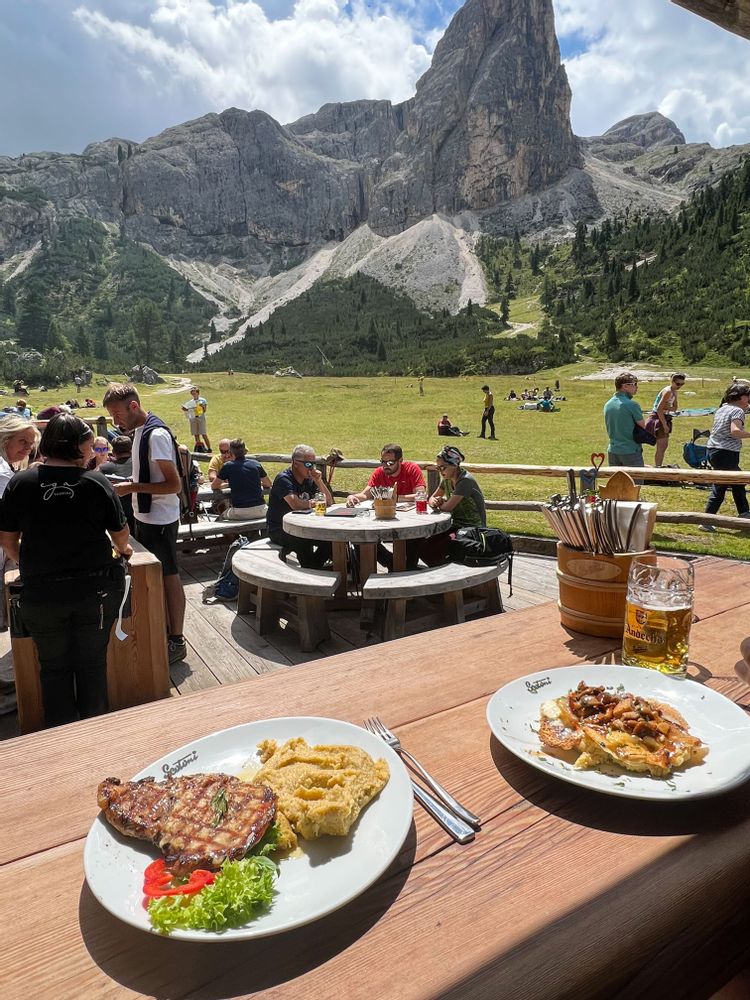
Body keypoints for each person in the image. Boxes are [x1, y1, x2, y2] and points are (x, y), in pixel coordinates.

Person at [0, 413, 131, 727]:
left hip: (42, 593)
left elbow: (7, 539)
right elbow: (121, 534)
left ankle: (62, 736)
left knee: (53, 667)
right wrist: (121, 550)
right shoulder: (95, 481)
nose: (90, 451)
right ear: (75, 446)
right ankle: (94, 730)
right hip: (94, 591)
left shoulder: (21, 482)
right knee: (92, 664)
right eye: (88, 445)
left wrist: (26, 563)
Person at [103, 382, 187, 665]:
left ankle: (177, 639)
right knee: (156, 576)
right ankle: (162, 629)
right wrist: (130, 485)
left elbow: (173, 485)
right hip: (147, 516)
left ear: (134, 406)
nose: (115, 421)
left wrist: (131, 488)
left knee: (169, 575)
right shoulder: (140, 430)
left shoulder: (157, 434)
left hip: (161, 518)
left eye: (117, 414)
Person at [0, 415, 40, 711]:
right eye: (22, 442)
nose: (27, 448)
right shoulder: (4, 475)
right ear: (5, 440)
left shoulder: (7, 470)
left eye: (31, 443)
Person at [266, 445, 333, 568]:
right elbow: (295, 504)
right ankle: (312, 572)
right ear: (295, 463)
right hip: (280, 529)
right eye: (308, 464)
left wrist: (319, 481)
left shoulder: (308, 479)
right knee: (303, 542)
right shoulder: (284, 479)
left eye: (314, 463)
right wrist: (312, 503)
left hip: (303, 527)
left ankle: (315, 569)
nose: (312, 468)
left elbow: (329, 502)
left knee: (332, 541)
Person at [420, 445, 487, 565]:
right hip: (456, 525)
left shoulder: (465, 481)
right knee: (424, 546)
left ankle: (445, 570)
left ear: (454, 465)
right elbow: (431, 498)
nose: (440, 471)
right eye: (438, 468)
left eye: (443, 468)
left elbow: (447, 507)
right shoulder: (447, 479)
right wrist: (434, 501)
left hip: (472, 528)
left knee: (435, 548)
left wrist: (439, 503)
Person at [699, 382, 750, 532]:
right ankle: (706, 519)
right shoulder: (737, 412)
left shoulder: (723, 408)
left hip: (714, 450)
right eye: (748, 396)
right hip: (726, 452)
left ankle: (744, 513)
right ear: (741, 397)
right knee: (720, 487)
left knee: (738, 482)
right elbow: (735, 431)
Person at [213, 438, 272, 520]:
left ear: (231, 451)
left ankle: (237, 533)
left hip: (239, 511)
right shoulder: (256, 464)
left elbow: (214, 486)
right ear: (245, 450)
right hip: (261, 510)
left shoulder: (227, 466)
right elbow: (268, 484)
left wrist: (229, 484)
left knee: (219, 520)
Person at [603, 373, 647, 471]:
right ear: (625, 386)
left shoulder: (608, 404)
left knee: (617, 483)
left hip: (613, 450)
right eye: (634, 384)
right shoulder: (632, 405)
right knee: (635, 484)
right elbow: (642, 426)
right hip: (630, 450)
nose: (636, 387)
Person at [99, 435, 135, 532]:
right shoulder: (139, 465)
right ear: (131, 450)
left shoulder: (104, 469)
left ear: (114, 452)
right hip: (143, 513)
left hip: (118, 518)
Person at [650, 373, 686, 467]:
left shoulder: (674, 391)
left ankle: (658, 466)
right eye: (678, 384)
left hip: (666, 416)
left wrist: (667, 407)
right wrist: (664, 424)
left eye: (682, 384)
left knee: (664, 445)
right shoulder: (668, 391)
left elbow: (675, 408)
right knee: (661, 445)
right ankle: (658, 467)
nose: (680, 386)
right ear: (672, 382)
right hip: (660, 417)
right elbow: (658, 409)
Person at [181, 386, 211, 452]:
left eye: (195, 393)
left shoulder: (203, 400)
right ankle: (199, 448)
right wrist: (185, 409)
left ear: (198, 393)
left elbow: (204, 410)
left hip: (200, 417)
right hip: (193, 418)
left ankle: (209, 448)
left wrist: (202, 407)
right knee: (196, 434)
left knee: (203, 433)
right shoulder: (190, 402)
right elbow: (187, 410)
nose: (193, 394)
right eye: (192, 393)